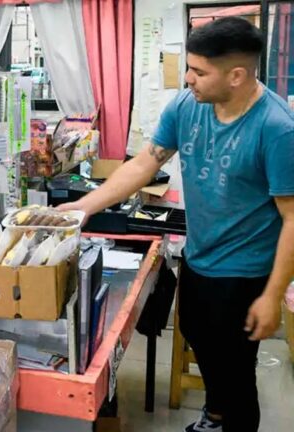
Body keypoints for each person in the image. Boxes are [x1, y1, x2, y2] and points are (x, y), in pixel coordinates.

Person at [59, 17, 294, 432]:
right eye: (189, 67)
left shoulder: (277, 129)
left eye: (199, 71)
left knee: (236, 372)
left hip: (246, 273)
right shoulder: (187, 106)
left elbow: (292, 218)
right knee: (198, 336)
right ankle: (215, 415)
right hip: (199, 254)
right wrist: (83, 207)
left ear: (236, 76)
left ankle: (230, 419)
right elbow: (145, 164)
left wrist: (272, 295)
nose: (188, 79)